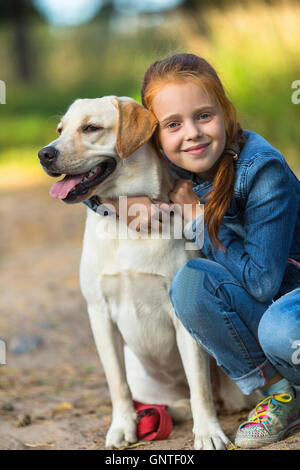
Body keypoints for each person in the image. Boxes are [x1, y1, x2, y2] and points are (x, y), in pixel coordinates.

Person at [93, 53, 300, 449]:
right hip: (260, 309)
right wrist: (123, 204)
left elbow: (261, 282)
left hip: (289, 300)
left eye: (204, 116)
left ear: (225, 112)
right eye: (173, 124)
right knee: (189, 283)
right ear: (153, 138)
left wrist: (195, 218)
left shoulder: (262, 170)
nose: (192, 133)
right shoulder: (177, 161)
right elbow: (88, 186)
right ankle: (282, 394)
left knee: (282, 331)